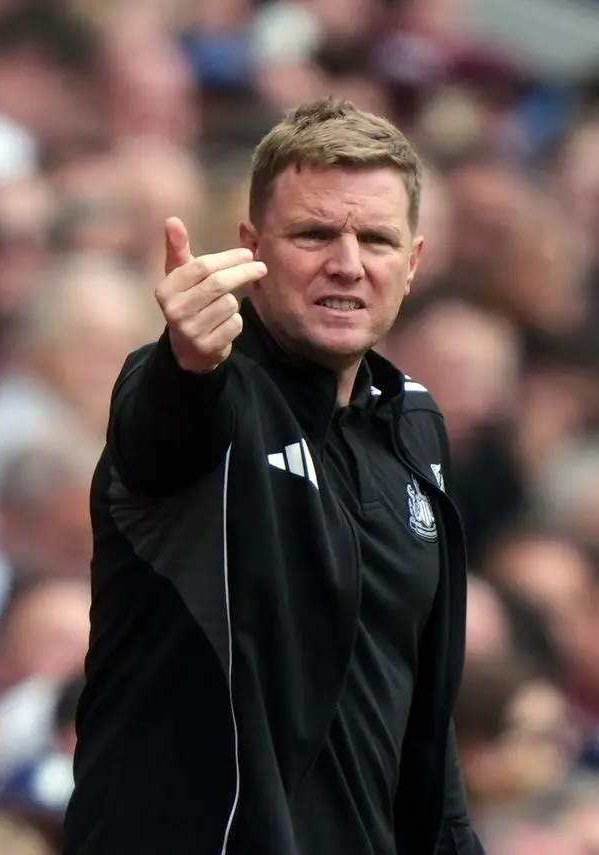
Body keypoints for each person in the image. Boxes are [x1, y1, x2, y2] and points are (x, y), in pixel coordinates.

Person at [65, 98, 484, 855]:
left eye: (377, 239)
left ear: (414, 262)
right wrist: (185, 358)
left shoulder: (415, 425)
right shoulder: (211, 390)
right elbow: (160, 429)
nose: (348, 264)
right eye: (315, 233)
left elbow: (420, 720)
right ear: (253, 247)